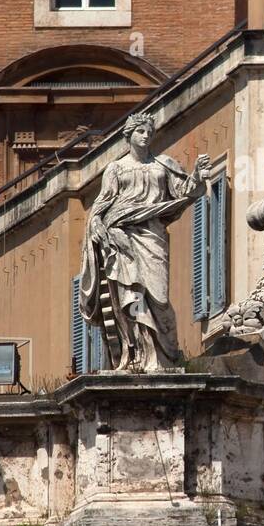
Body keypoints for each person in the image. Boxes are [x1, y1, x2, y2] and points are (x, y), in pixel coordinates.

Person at [78, 112, 211, 372]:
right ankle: (136, 356)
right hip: (121, 238)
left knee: (159, 297)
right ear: (128, 135)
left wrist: (197, 175)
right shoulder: (116, 169)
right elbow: (100, 206)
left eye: (149, 131)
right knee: (131, 295)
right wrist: (97, 227)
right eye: (140, 131)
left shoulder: (164, 165)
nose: (146, 135)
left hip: (153, 235)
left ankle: (164, 355)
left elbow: (186, 193)